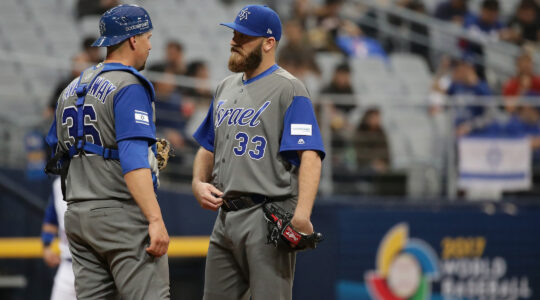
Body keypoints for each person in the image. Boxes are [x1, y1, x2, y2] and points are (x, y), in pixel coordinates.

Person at [191, 5, 325, 300]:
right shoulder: (224, 87)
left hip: (267, 215)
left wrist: (301, 216)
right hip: (224, 217)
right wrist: (198, 182)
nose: (234, 41)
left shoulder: (290, 89)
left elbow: (310, 156)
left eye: (243, 36)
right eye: (234, 33)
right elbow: (207, 146)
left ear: (268, 43)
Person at [45, 4, 170, 299]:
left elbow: (56, 154)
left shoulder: (70, 88)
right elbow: (132, 159)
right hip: (119, 215)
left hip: (77, 217)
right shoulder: (129, 85)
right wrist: (155, 219)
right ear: (133, 39)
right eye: (148, 37)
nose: (151, 45)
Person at [42, 177, 76, 300]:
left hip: (96, 266)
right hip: (67, 265)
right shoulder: (58, 184)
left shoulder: (100, 178)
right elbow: (51, 219)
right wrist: (46, 246)